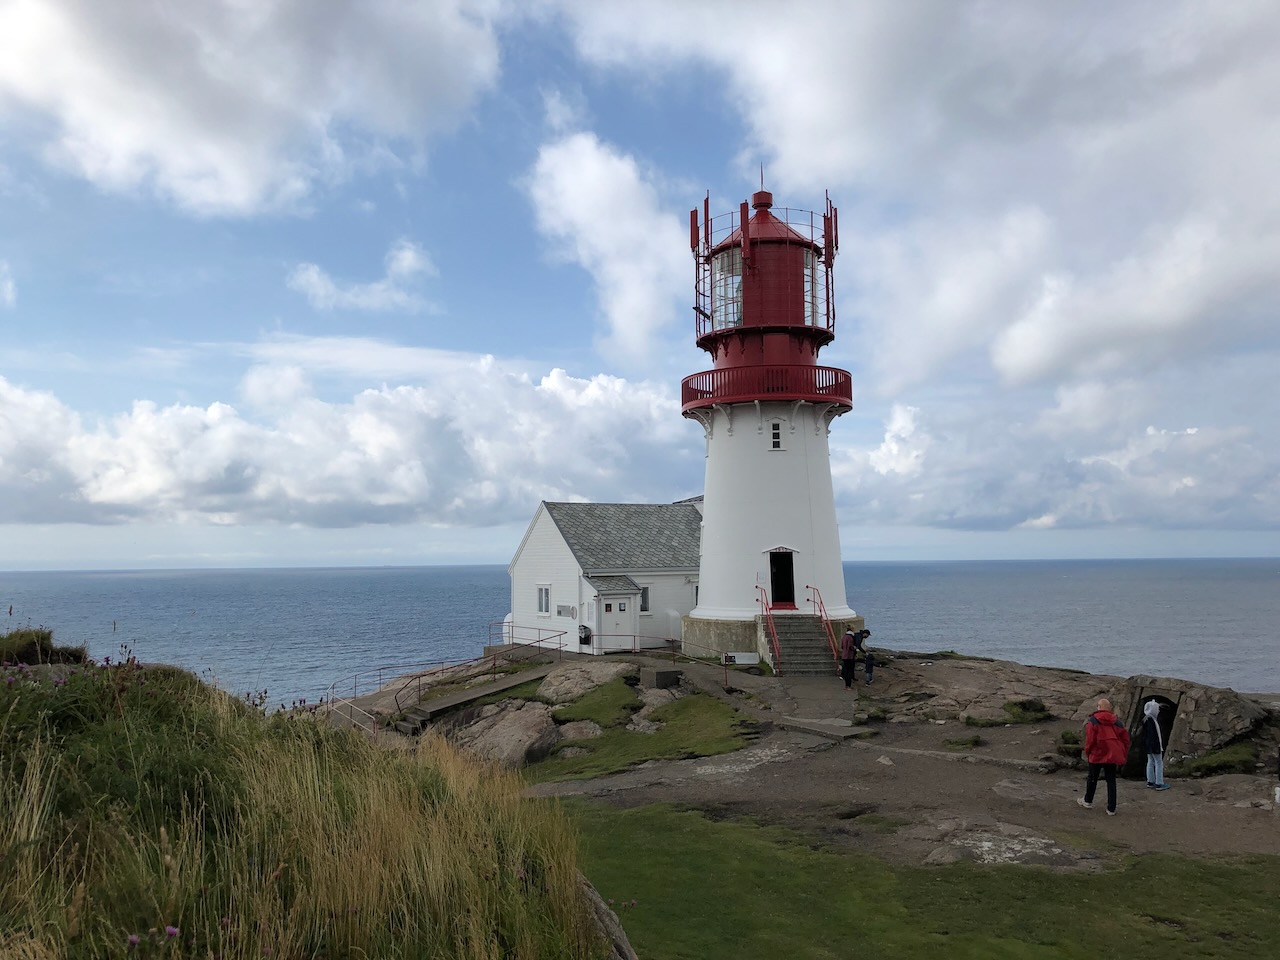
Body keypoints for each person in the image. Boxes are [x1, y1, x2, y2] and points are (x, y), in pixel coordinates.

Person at [1077, 697, 1131, 816]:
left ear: (1099, 707)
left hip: (1097, 753)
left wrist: (1088, 751)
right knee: (1111, 780)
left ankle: (1088, 800)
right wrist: (1122, 752)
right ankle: (1111, 808)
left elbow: (1090, 739)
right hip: (1112, 754)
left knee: (1092, 778)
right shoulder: (1117, 722)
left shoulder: (1093, 721)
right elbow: (1125, 740)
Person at [1143, 699, 1171, 790]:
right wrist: (1158, 747)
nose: (1158, 711)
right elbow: (1154, 736)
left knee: (1150, 762)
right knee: (1159, 762)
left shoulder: (1146, 719)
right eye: (1157, 709)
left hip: (1148, 745)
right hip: (1154, 745)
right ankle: (1159, 783)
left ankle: (1150, 781)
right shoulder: (1152, 721)